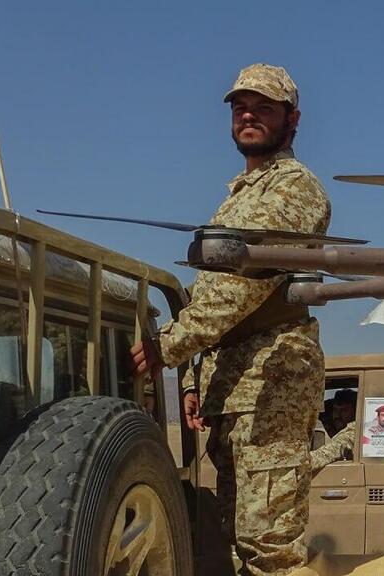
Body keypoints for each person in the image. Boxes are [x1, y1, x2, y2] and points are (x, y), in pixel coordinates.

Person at [130, 63, 330, 576]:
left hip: (272, 379)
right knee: (239, 537)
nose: (249, 116)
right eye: (241, 107)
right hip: (235, 380)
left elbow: (240, 286)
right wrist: (196, 375)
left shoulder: (293, 189)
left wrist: (168, 345)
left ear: (293, 119)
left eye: (264, 108)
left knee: (269, 546)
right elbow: (211, 293)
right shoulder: (239, 195)